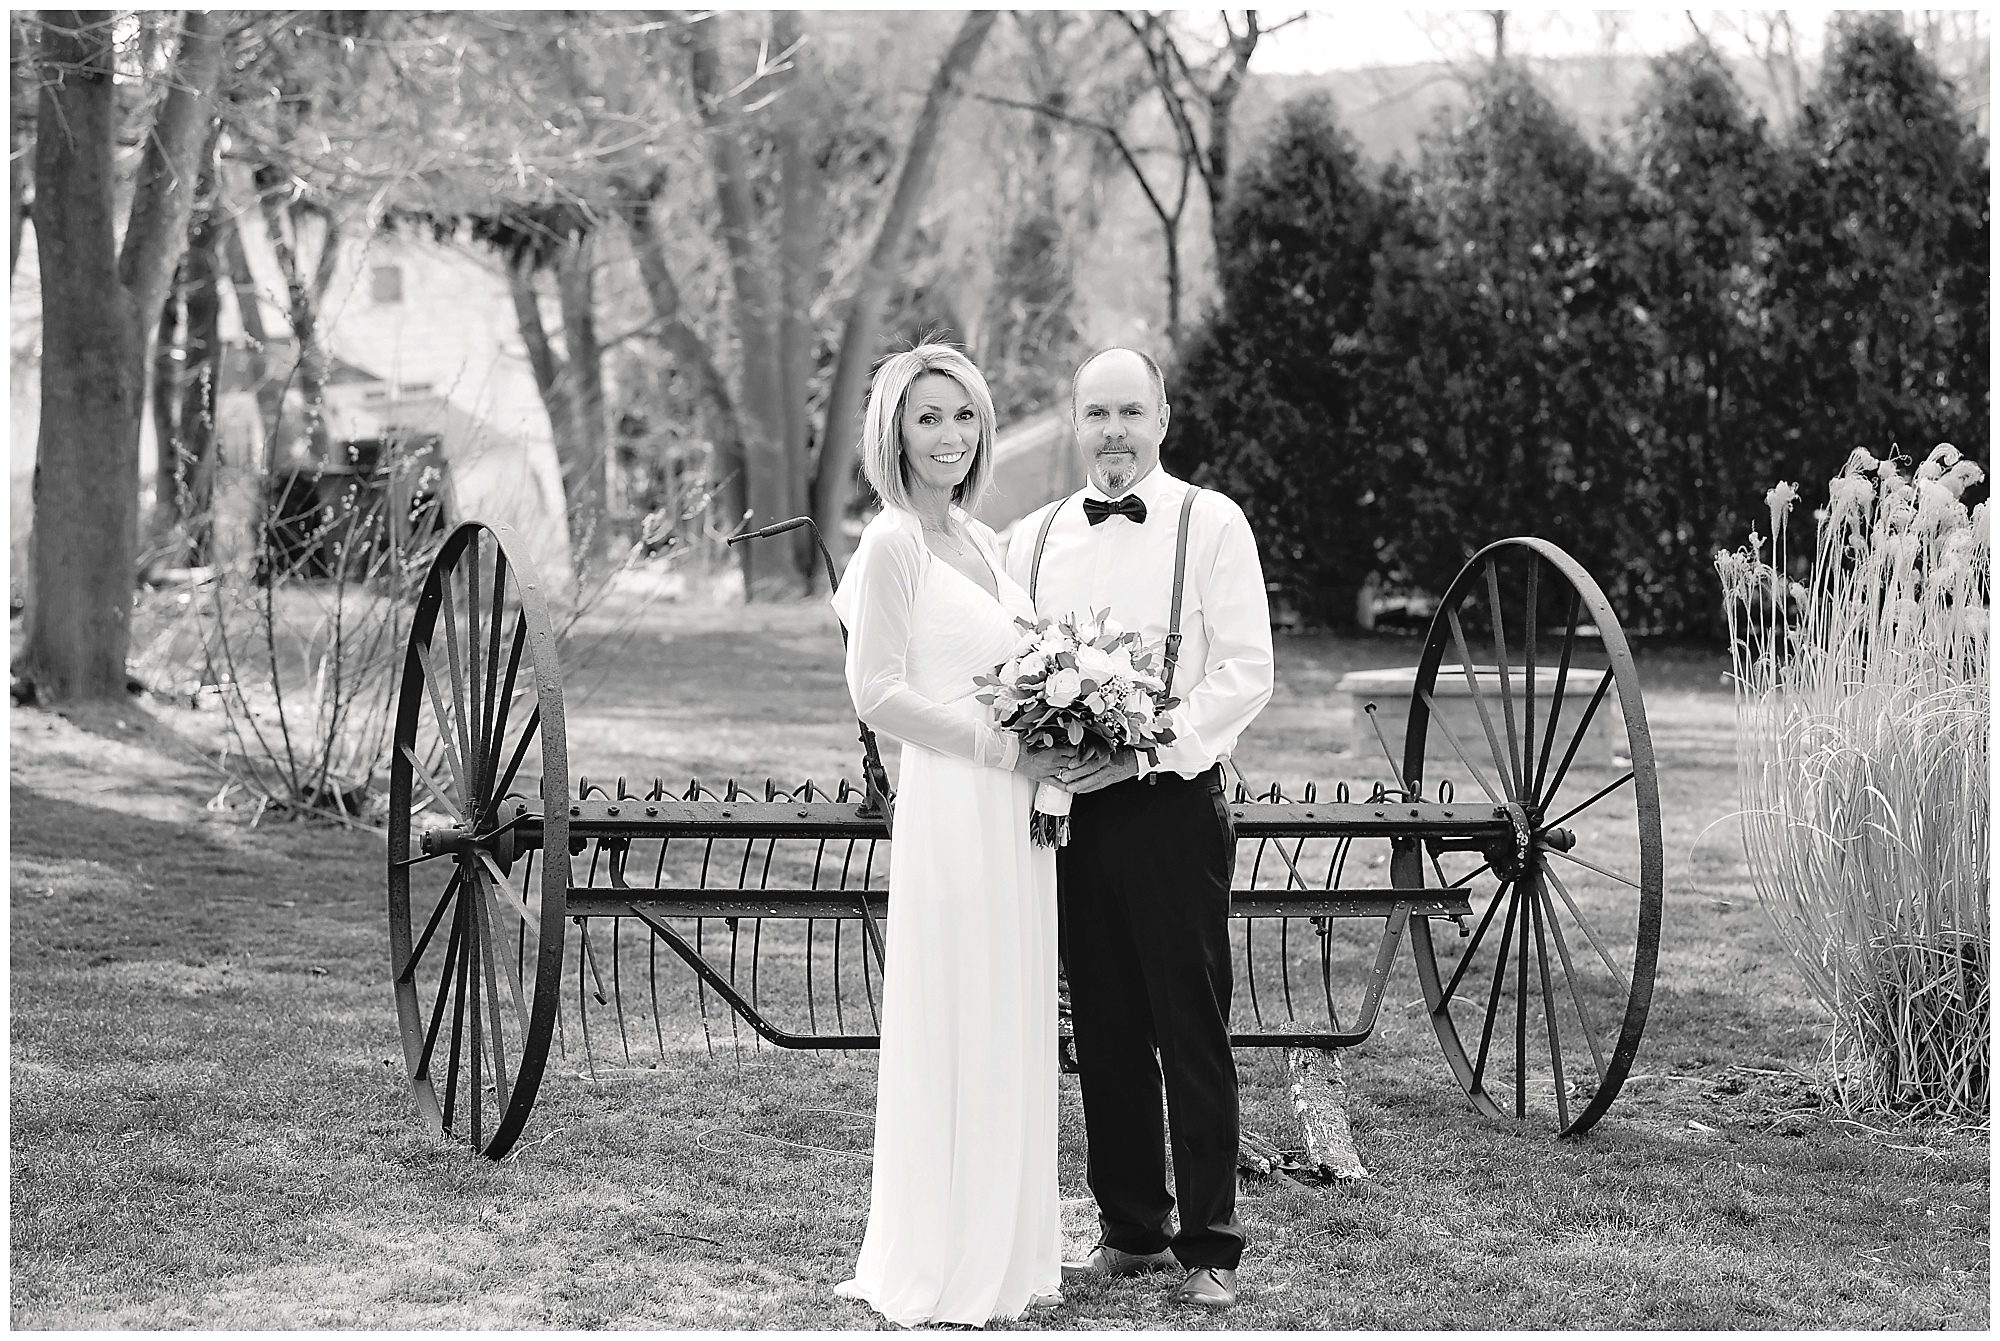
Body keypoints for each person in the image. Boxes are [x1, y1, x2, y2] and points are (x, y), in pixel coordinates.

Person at [1004, 347, 1274, 1311]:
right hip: (1068, 811)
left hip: (1171, 802)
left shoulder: (1212, 522)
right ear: (1076, 423)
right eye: (1095, 412)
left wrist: (1150, 748)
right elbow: (1004, 664)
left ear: (1163, 417)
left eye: (1130, 410)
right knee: (1105, 1022)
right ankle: (1130, 1228)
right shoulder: (1031, 538)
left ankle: (1209, 1243)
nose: (1112, 430)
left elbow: (1245, 670)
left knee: (1187, 1020)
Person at [829, 344, 1072, 1328]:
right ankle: (939, 1254)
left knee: (1009, 1011)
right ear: (894, 431)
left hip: (1014, 812)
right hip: (952, 798)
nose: (948, 436)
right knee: (956, 1009)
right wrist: (998, 749)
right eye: (927, 418)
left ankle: (1006, 1251)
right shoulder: (889, 544)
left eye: (962, 416)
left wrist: (1060, 731)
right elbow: (875, 692)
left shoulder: (981, 538)